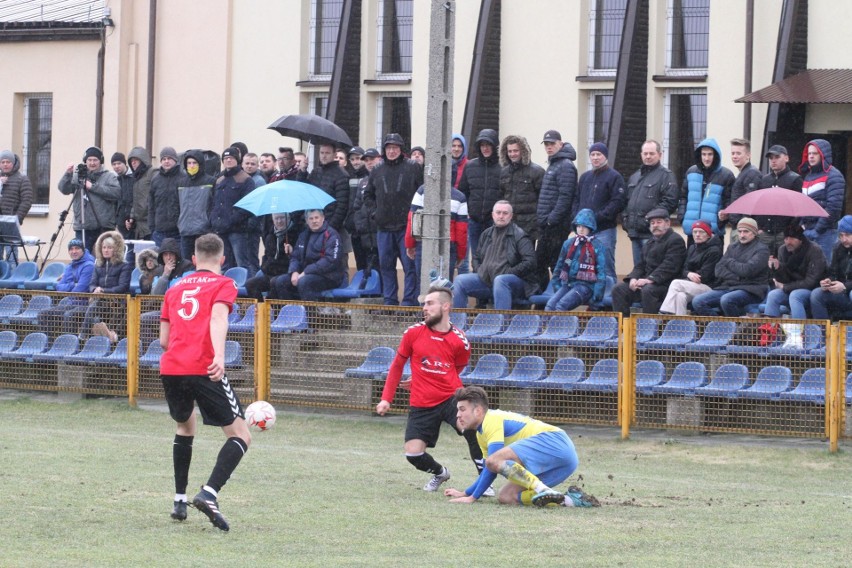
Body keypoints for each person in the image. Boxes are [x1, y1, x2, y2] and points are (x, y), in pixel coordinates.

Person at [159, 233, 251, 532]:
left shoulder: (174, 288)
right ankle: (209, 493)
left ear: (194, 259)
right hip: (204, 366)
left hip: (172, 367)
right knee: (240, 434)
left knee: (186, 425)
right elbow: (218, 319)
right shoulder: (224, 284)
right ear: (223, 260)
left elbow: (163, 340)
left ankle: (179, 499)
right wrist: (220, 356)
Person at [376, 286, 489, 495]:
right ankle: (440, 473)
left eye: (429, 303)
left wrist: (432, 377)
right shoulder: (413, 333)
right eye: (423, 304)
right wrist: (386, 399)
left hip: (451, 397)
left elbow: (457, 367)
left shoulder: (460, 340)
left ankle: (485, 482)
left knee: (471, 430)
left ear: (445, 306)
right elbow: (397, 366)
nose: (424, 308)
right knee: (413, 454)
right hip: (421, 402)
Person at [444, 386, 599, 507]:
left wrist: (472, 498)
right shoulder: (480, 434)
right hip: (566, 463)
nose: (458, 415)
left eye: (462, 409)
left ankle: (542, 489)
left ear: (478, 411)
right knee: (506, 497)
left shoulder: (491, 419)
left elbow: (493, 462)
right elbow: (489, 469)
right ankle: (570, 500)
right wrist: (465, 492)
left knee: (494, 460)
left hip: (555, 440)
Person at [363, 133, 423, 306]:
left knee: (409, 267)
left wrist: (416, 216)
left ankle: (409, 301)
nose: (391, 151)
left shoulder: (413, 167)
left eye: (395, 148)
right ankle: (390, 301)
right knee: (386, 267)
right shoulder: (377, 169)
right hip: (384, 227)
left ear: (401, 149)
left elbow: (422, 192)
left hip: (407, 227)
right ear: (384, 150)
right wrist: (375, 213)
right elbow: (368, 195)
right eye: (388, 148)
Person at [452, 201, 539, 310]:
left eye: (505, 213)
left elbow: (530, 262)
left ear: (511, 216)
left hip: (515, 283)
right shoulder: (486, 234)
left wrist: (509, 272)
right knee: (460, 280)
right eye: (498, 213)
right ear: (493, 215)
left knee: (500, 280)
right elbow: (476, 257)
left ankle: (500, 324)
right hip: (487, 280)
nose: (501, 216)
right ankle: (458, 323)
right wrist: (480, 270)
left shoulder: (520, 235)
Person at [611, 208, 685, 317]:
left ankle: (650, 327)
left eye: (659, 222)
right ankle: (623, 326)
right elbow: (640, 265)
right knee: (619, 289)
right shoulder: (650, 241)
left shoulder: (675, 240)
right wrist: (633, 278)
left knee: (648, 290)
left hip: (666, 284)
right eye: (652, 223)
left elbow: (670, 267)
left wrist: (649, 280)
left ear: (668, 223)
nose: (655, 225)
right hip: (646, 282)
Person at [691, 217, 770, 317]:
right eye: (740, 231)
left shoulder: (762, 249)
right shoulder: (732, 246)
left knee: (727, 300)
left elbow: (746, 270)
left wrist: (729, 261)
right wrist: (738, 276)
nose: (742, 235)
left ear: (754, 232)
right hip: (729, 287)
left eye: (746, 232)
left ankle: (737, 328)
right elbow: (718, 270)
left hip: (751, 289)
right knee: (698, 301)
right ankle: (719, 327)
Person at [572, 142, 626, 280]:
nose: (595, 158)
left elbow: (617, 203)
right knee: (585, 266)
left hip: (604, 230)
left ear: (605, 157)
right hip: (584, 231)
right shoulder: (585, 177)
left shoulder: (614, 177)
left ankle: (609, 299)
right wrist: (578, 219)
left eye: (599, 154)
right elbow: (576, 199)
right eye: (592, 154)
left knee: (605, 265)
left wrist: (596, 218)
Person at [623, 140, 678, 265]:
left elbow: (670, 202)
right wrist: (626, 219)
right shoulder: (635, 176)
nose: (648, 156)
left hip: (652, 234)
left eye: (652, 153)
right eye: (645, 153)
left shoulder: (666, 176)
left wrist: (650, 220)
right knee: (638, 269)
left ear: (660, 154)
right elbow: (626, 202)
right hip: (634, 233)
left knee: (650, 269)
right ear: (641, 154)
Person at [269, 209, 344, 301]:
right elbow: (295, 257)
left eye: (316, 217)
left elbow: (330, 261)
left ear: (323, 218)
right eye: (311, 218)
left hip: (328, 276)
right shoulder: (303, 235)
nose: (314, 221)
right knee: (280, 281)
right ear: (307, 221)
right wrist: (294, 271)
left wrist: (306, 272)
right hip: (305, 274)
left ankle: (310, 313)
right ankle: (290, 312)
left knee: (304, 282)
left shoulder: (332, 235)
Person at [763, 223, 826, 333]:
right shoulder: (783, 250)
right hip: (791, 287)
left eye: (792, 238)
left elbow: (812, 281)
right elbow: (784, 279)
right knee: (773, 295)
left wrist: (785, 287)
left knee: (795, 295)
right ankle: (770, 335)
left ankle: (799, 335)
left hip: (812, 290)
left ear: (800, 239)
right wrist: (777, 269)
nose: (788, 242)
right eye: (786, 238)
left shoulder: (814, 250)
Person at [535, 129, 578, 289]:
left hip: (556, 226)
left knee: (555, 264)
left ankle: (556, 301)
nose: (549, 147)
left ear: (561, 143)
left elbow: (565, 197)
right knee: (541, 263)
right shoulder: (555, 163)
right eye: (546, 144)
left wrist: (551, 219)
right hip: (548, 225)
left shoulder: (565, 165)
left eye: (552, 143)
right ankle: (544, 300)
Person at [58, 146, 121, 252]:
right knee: (82, 257)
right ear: (85, 161)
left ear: (100, 161)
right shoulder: (78, 176)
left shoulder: (109, 176)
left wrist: (92, 187)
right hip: (82, 226)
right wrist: (68, 174)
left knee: (103, 258)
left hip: (103, 227)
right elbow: (63, 189)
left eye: (95, 160)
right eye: (89, 160)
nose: (92, 163)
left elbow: (116, 193)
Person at [544, 209, 607, 312]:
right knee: (550, 306)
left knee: (561, 306)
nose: (581, 229)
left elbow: (601, 274)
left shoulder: (597, 245)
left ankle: (561, 328)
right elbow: (559, 267)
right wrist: (557, 287)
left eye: (584, 226)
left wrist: (596, 297)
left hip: (586, 286)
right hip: (568, 284)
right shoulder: (568, 244)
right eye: (578, 226)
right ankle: (544, 328)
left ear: (590, 227)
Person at [405, 181, 468, 283]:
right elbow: (462, 230)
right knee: (445, 285)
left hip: (424, 242)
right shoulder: (460, 197)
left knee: (423, 283)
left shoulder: (422, 191)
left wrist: (410, 244)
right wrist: (461, 254)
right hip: (449, 244)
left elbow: (413, 220)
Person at [658, 221, 723, 315]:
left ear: (708, 234)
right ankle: (680, 325)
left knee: (676, 283)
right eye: (695, 232)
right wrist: (689, 274)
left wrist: (689, 274)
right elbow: (683, 269)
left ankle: (665, 311)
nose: (697, 235)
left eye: (701, 232)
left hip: (709, 287)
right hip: (691, 284)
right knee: (680, 296)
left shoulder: (715, 251)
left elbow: (705, 275)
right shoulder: (692, 248)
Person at [678, 138, 735, 244]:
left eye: (710, 154)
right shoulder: (691, 172)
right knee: (692, 260)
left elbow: (728, 202)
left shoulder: (726, 175)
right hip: (693, 231)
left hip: (714, 233)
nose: (706, 158)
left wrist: (720, 222)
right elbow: (683, 197)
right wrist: (682, 218)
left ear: (716, 155)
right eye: (704, 154)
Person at [459, 129, 502, 266]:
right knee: (477, 259)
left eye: (488, 144)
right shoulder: (470, 166)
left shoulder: (503, 167)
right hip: (475, 220)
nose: (485, 148)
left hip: (495, 222)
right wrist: (469, 213)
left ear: (495, 146)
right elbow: (463, 192)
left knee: (494, 259)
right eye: (482, 145)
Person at [37, 238, 95, 340]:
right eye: (71, 249)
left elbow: (80, 290)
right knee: (43, 313)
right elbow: (59, 287)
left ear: (83, 250)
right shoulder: (70, 266)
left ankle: (69, 348)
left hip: (86, 305)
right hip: (71, 303)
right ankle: (48, 346)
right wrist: (73, 285)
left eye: (77, 248)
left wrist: (70, 287)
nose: (74, 251)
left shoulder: (89, 265)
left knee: (69, 315)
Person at [799, 138, 846, 263]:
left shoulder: (834, 175)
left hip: (825, 233)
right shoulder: (808, 176)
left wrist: (817, 230)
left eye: (815, 153)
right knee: (809, 270)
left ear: (823, 154)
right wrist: (802, 226)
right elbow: (804, 204)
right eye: (809, 153)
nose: (811, 156)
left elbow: (833, 208)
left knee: (824, 271)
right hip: (808, 231)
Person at [85, 231, 133, 343]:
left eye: (109, 247)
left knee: (95, 308)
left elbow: (123, 287)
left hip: (118, 301)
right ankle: (93, 338)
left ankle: (84, 336)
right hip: (101, 300)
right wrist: (94, 289)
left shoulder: (124, 265)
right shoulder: (98, 265)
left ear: (116, 249)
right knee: (94, 309)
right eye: (104, 247)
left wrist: (103, 291)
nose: (106, 250)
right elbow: (92, 284)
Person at [210, 146, 254, 270]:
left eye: (231, 158)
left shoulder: (245, 179)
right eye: (225, 158)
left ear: (237, 160)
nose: (228, 160)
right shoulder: (219, 180)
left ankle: (244, 288)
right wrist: (213, 219)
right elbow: (213, 202)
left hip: (238, 230)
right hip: (221, 229)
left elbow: (247, 206)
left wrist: (232, 219)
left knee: (242, 264)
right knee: (224, 264)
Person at [755, 145, 803, 252]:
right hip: (765, 232)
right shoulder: (764, 180)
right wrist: (760, 227)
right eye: (771, 158)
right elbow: (759, 205)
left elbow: (798, 208)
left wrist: (789, 230)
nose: (773, 161)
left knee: (782, 265)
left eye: (777, 157)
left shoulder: (794, 179)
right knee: (763, 264)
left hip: (784, 234)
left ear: (786, 158)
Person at [499, 134, 544, 243]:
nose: (512, 154)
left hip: (529, 228)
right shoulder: (504, 172)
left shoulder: (537, 172)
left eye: (516, 151)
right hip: (508, 226)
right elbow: (501, 197)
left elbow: (542, 200)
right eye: (510, 151)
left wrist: (537, 225)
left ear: (523, 151)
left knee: (527, 259)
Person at [244, 213, 298, 301]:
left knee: (276, 282)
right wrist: (265, 268)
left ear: (288, 219)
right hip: (270, 272)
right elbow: (266, 256)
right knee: (250, 284)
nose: (279, 221)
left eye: (282, 218)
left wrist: (291, 253)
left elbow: (297, 259)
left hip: (286, 273)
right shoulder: (270, 236)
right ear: (273, 220)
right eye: (276, 219)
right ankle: (261, 310)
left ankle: (280, 312)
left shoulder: (295, 235)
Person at [808, 215, 852, 321]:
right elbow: (832, 272)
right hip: (841, 292)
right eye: (841, 235)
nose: (844, 239)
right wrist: (828, 281)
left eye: (848, 235)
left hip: (849, 291)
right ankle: (823, 333)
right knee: (816, 294)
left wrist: (845, 286)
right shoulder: (837, 248)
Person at [177, 149, 215, 261]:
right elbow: (177, 205)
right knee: (187, 265)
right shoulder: (181, 183)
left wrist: (209, 223)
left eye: (194, 163)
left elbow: (213, 205)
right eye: (189, 163)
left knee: (204, 262)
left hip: (203, 230)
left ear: (201, 164)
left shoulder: (210, 181)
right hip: (185, 231)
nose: (192, 166)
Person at [718, 138, 762, 230]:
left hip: (743, 228)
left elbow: (749, 202)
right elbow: (739, 201)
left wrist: (743, 227)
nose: (734, 156)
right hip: (739, 226)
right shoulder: (743, 173)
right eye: (733, 153)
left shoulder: (751, 173)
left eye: (738, 153)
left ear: (748, 155)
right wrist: (728, 213)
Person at [0, 150, 33, 264]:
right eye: (2, 162)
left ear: (13, 163)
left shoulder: (22, 179)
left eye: (8, 162)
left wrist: (16, 219)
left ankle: (12, 280)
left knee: (11, 257)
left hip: (11, 224)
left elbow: (27, 201)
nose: (5, 164)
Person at [148, 146, 183, 248]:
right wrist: (152, 227)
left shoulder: (183, 178)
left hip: (178, 231)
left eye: (169, 159)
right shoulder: (155, 180)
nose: (166, 161)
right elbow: (151, 205)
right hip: (159, 231)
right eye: (164, 159)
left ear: (175, 160)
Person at [127, 146, 154, 241]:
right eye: (131, 161)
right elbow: (136, 200)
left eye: (136, 160)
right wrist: (132, 216)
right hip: (139, 225)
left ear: (143, 161)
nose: (133, 163)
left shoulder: (152, 173)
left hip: (150, 223)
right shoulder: (136, 178)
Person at [111, 152, 135, 240]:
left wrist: (131, 217)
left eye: (119, 163)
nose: (116, 166)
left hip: (133, 221)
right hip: (120, 222)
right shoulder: (113, 180)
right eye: (114, 164)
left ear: (124, 163)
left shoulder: (134, 177)